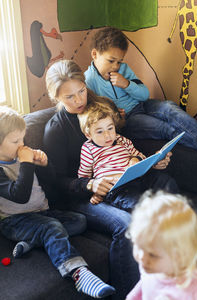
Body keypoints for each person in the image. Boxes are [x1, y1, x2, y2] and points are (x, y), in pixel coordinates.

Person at [43, 59, 178, 300]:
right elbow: (55, 185)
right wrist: (89, 184)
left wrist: (148, 161)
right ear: (56, 99)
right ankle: (126, 294)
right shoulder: (56, 129)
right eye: (69, 97)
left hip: (121, 178)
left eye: (81, 91)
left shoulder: (101, 106)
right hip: (80, 195)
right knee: (126, 226)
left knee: (166, 184)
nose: (79, 101)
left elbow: (121, 143)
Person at [0, 106, 116, 299]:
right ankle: (78, 273)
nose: (21, 145)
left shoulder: (21, 156)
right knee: (51, 227)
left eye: (23, 139)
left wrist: (44, 164)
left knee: (79, 221)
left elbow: (51, 179)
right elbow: (20, 195)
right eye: (15, 141)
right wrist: (27, 164)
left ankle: (31, 241)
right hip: (15, 221)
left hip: (42, 212)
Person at [84, 26, 197, 150]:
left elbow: (144, 95)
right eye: (111, 61)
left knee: (169, 107)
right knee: (163, 127)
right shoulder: (89, 81)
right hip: (127, 119)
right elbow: (94, 112)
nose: (116, 66)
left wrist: (127, 84)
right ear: (95, 54)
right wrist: (113, 113)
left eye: (119, 61)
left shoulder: (124, 69)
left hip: (143, 104)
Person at [77, 99, 178, 211]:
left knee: (165, 180)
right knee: (139, 204)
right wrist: (94, 192)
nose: (107, 135)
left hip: (138, 177)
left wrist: (135, 158)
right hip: (116, 188)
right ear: (88, 135)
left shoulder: (121, 139)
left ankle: (172, 208)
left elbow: (140, 155)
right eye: (100, 131)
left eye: (110, 128)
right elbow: (84, 176)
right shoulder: (88, 148)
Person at [125, 190, 197, 300]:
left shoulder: (192, 292)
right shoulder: (150, 266)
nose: (142, 257)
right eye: (138, 246)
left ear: (179, 256)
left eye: (152, 255)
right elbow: (145, 282)